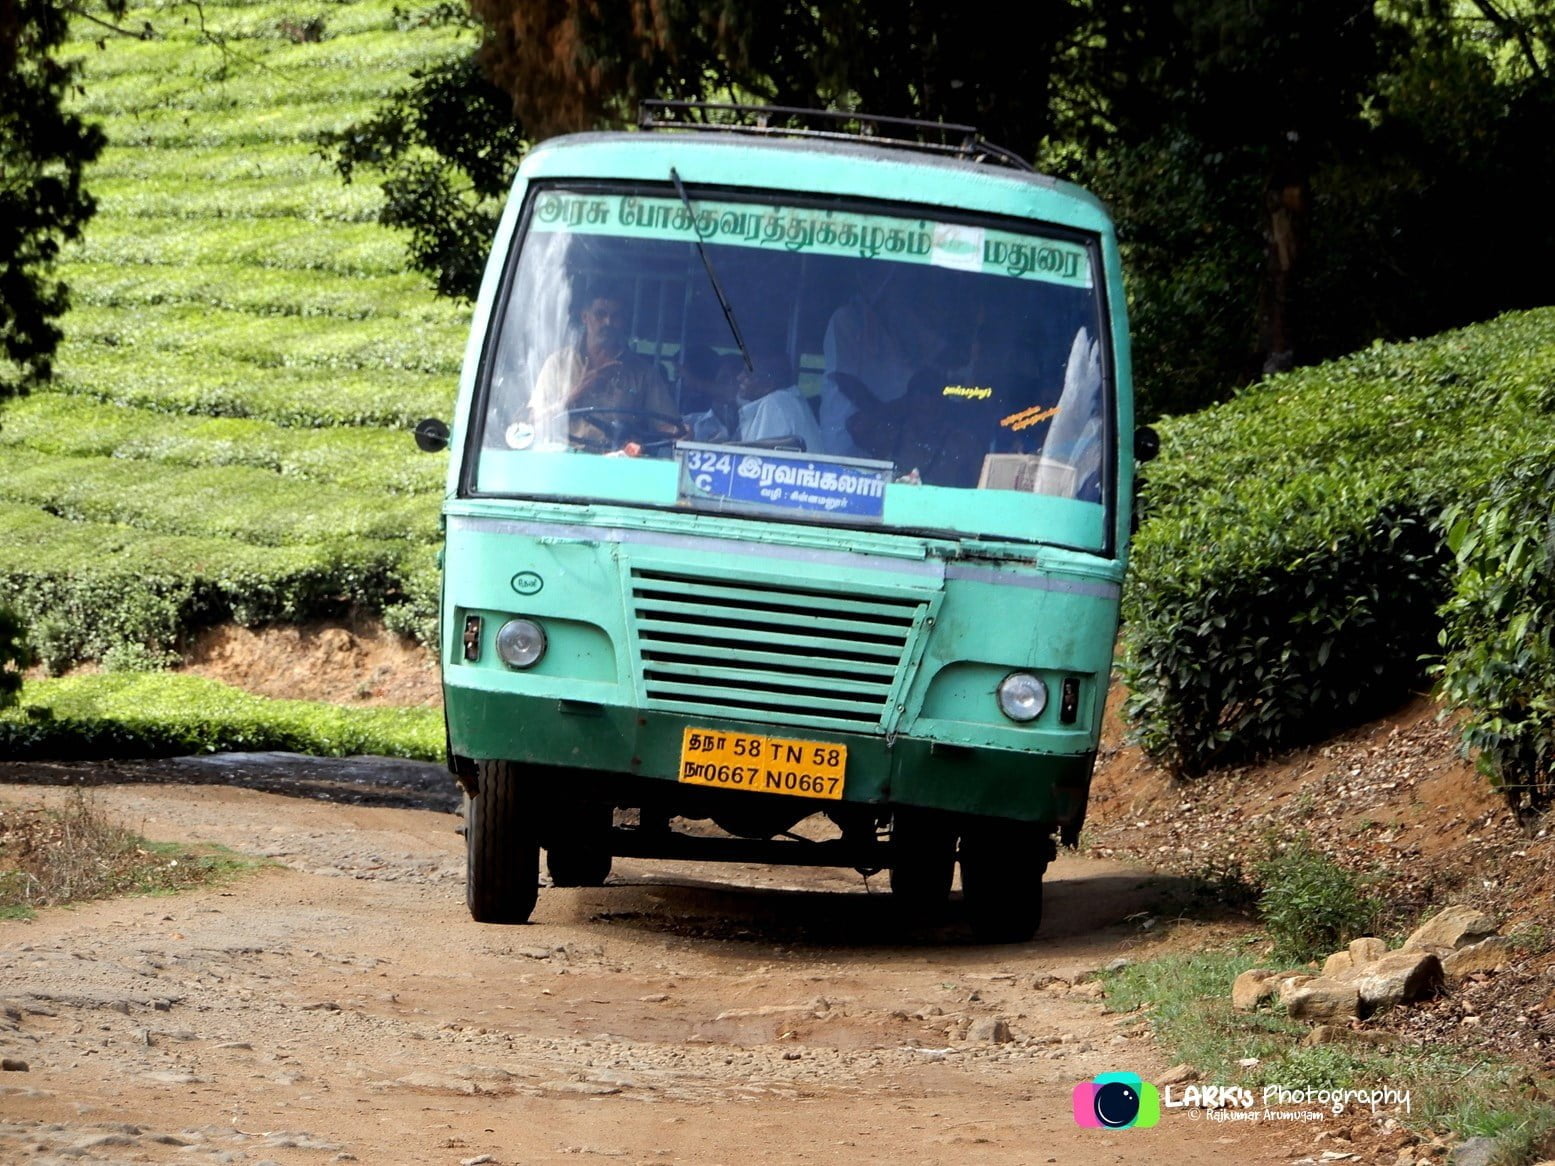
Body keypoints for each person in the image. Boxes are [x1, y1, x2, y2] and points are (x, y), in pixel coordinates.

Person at [512, 287, 679, 450]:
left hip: (619, 464)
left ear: (623, 322)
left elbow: (667, 426)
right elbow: (532, 423)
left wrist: (680, 432)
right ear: (585, 317)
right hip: (564, 460)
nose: (608, 322)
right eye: (600, 314)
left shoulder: (643, 373)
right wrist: (578, 392)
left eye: (615, 316)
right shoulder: (557, 364)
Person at [734, 351, 826, 452]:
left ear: (768, 384)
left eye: (748, 374)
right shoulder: (787, 400)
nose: (739, 377)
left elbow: (762, 459)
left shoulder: (775, 403)